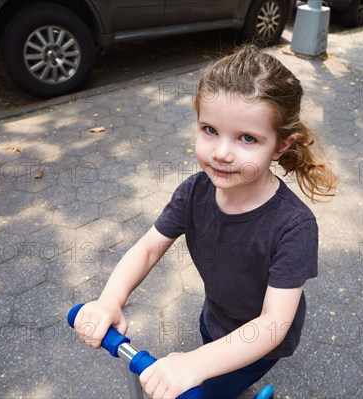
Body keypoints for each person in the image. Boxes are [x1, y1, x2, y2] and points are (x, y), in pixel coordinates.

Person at [73, 44, 337, 399]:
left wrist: (195, 364)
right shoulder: (195, 192)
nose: (222, 152)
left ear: (279, 147)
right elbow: (149, 248)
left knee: (209, 388)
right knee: (207, 372)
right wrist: (109, 299)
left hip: (259, 343)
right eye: (210, 129)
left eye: (247, 138)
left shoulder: (293, 227)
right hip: (214, 316)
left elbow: (273, 324)